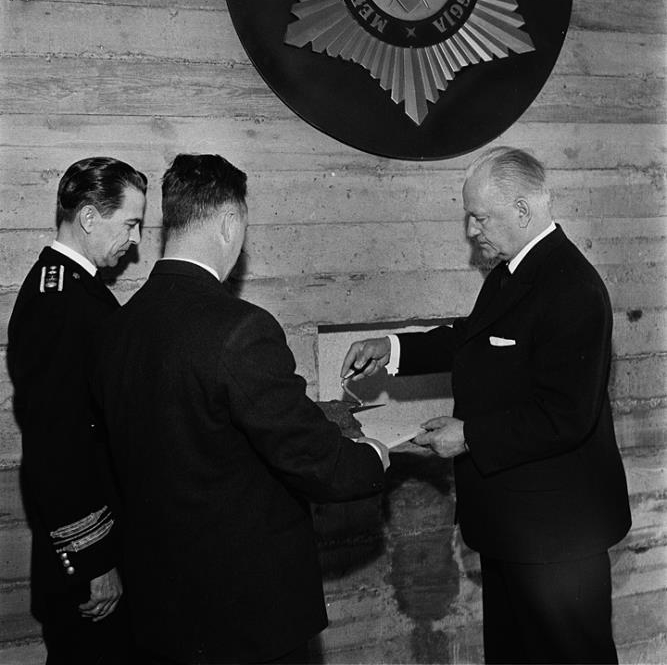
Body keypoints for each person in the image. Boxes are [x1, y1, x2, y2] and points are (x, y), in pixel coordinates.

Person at [91, 153, 389, 665]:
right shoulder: (241, 329)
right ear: (230, 223)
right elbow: (314, 461)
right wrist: (374, 457)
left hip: (160, 611)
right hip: (247, 618)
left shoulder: (117, 327)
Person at [341, 146, 631, 665]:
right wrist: (393, 348)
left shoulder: (573, 287)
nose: (472, 230)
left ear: (521, 211)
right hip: (516, 528)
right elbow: (473, 338)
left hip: (559, 538)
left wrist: (468, 435)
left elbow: (565, 416)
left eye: (480, 217)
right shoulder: (512, 271)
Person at [7, 156, 148, 664]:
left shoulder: (75, 290)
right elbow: (56, 447)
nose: (136, 239)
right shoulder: (60, 304)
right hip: (88, 565)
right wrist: (94, 561)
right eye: (130, 223)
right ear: (89, 217)